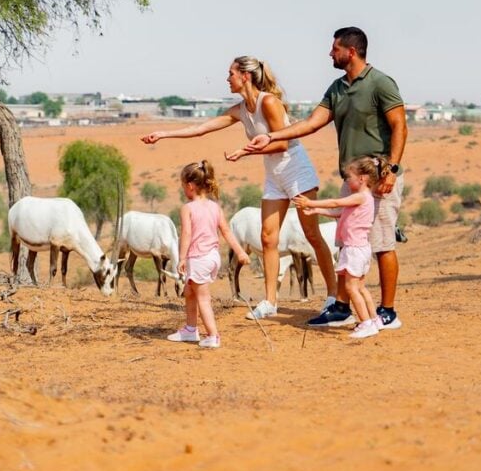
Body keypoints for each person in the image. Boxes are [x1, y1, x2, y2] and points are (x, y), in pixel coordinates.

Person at [142, 56, 337, 320]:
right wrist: (164, 135)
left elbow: (282, 143)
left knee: (312, 235)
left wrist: (245, 152)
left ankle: (333, 297)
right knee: (268, 238)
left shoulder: (268, 102)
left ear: (245, 76)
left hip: (295, 171)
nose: (227, 79)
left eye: (230, 74)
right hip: (274, 176)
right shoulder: (240, 109)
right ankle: (270, 301)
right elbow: (202, 128)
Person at [245, 27, 408, 329]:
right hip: (354, 178)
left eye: (335, 48)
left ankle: (388, 311)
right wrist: (270, 136)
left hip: (381, 175)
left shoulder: (380, 83)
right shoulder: (337, 88)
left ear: (352, 51)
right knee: (347, 241)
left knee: (383, 243)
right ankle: (342, 307)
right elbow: (310, 123)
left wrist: (392, 170)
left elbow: (399, 126)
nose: (330, 53)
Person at [294, 156, 387, 338]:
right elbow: (339, 212)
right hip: (360, 248)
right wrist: (316, 211)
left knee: (351, 288)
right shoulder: (362, 199)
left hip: (354, 249)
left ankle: (366, 323)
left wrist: (310, 202)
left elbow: (336, 203)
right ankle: (375, 320)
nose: (347, 180)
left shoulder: (360, 196)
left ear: (362, 178)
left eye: (349, 177)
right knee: (360, 287)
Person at [166, 160, 250, 349]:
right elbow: (226, 232)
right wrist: (240, 252)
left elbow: (186, 234)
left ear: (190, 186)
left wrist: (182, 258)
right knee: (189, 291)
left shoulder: (187, 208)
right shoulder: (215, 207)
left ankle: (213, 335)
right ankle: (190, 329)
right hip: (212, 258)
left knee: (202, 298)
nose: (183, 190)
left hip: (198, 258)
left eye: (182, 185)